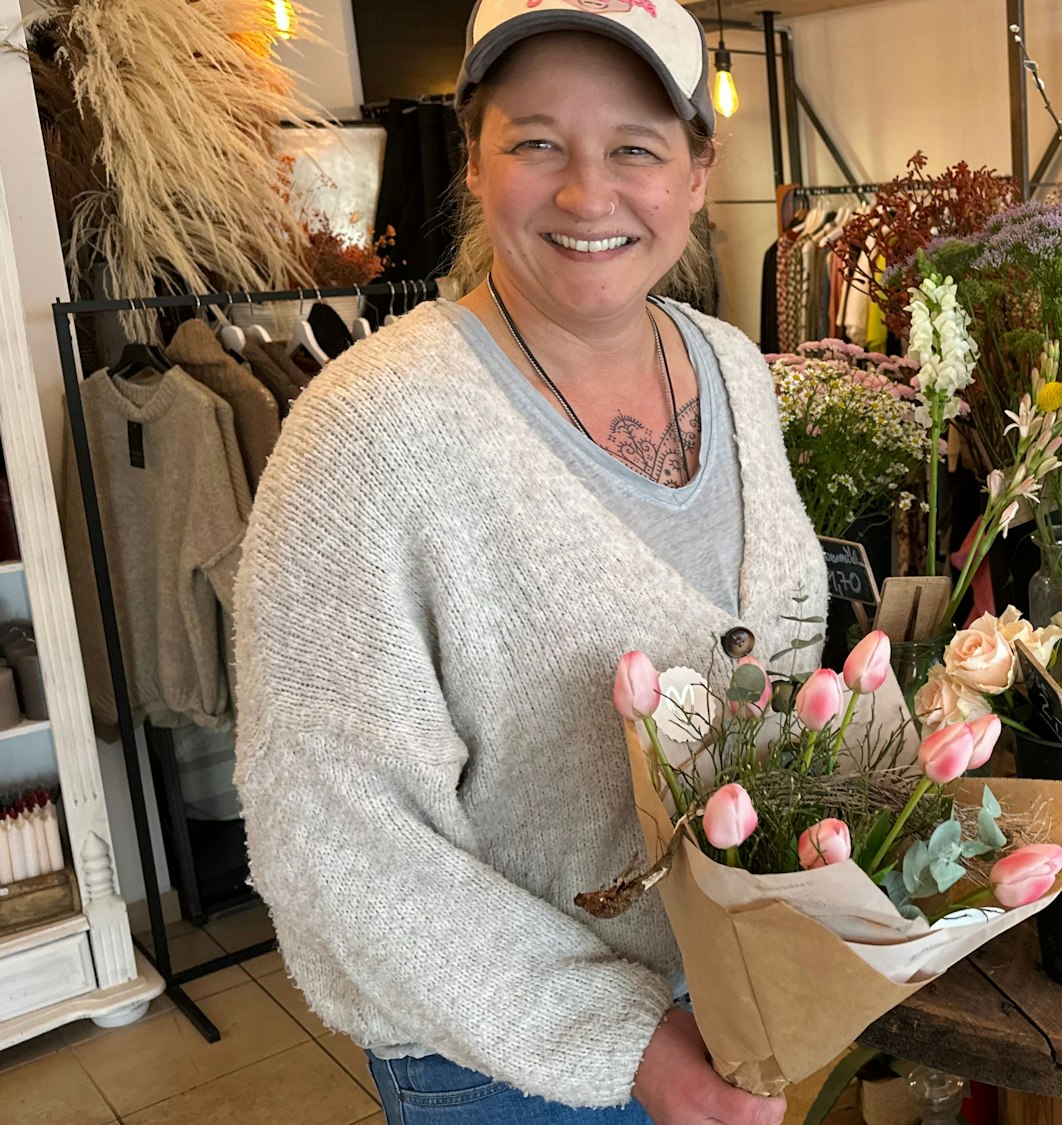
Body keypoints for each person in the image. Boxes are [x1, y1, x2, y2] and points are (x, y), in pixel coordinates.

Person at [233, 2, 824, 1121]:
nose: (586, 194)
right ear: (473, 160)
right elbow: (334, 844)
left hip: (735, 997)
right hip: (504, 1059)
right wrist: (628, 1044)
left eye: (636, 148)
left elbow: (770, 672)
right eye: (536, 140)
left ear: (698, 169)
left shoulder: (734, 370)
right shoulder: (371, 431)